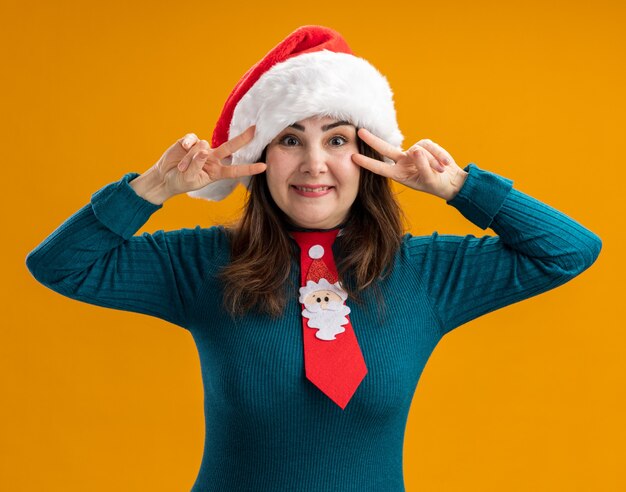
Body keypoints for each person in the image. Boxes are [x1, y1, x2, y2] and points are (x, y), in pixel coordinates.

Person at [26, 25, 601, 492]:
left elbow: (570, 252)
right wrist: (151, 188)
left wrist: (461, 187)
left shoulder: (426, 274)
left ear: (370, 153)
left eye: (338, 139)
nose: (314, 164)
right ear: (261, 156)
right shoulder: (204, 262)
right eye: (290, 139)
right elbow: (59, 266)